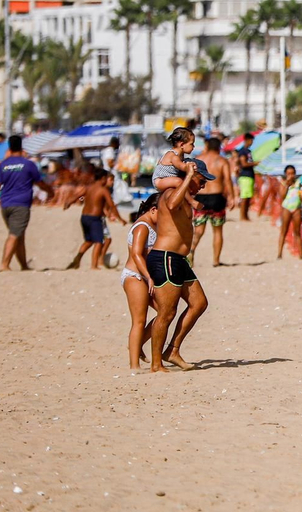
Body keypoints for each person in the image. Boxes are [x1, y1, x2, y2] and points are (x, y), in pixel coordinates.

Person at [147, 158, 209, 373]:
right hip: (165, 258)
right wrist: (189, 176)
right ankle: (156, 364)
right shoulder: (171, 194)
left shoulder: (185, 196)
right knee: (167, 313)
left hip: (179, 259)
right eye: (202, 180)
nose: (204, 185)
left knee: (199, 303)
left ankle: (172, 350)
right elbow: (172, 204)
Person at [0, 135, 53, 271]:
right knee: (15, 234)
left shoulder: (3, 165)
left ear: (9, 147)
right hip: (21, 204)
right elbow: (40, 183)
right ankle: (4, 264)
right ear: (22, 147)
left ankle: (24, 265)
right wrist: (50, 192)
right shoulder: (28, 164)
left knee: (19, 234)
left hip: (5, 205)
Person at [120, 193, 161, 372]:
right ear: (153, 209)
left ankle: (136, 344)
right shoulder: (142, 226)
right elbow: (137, 254)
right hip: (135, 276)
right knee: (139, 320)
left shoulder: (154, 223)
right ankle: (134, 365)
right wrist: (149, 276)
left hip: (146, 276)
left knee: (165, 312)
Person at [66, 167, 126, 270]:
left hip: (84, 217)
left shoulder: (88, 187)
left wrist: (68, 203)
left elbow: (78, 195)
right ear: (103, 178)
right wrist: (120, 219)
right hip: (94, 219)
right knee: (99, 241)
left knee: (88, 241)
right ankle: (94, 265)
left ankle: (77, 260)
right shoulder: (103, 190)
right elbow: (112, 205)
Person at [189, 135, 235, 267]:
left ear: (207, 146)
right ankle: (216, 260)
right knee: (218, 230)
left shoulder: (198, 160)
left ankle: (191, 251)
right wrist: (231, 197)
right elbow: (227, 180)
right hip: (217, 197)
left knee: (198, 230)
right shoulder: (222, 161)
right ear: (219, 147)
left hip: (201, 196)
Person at [234, 137, 256, 221]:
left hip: (249, 176)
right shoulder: (243, 151)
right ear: (247, 140)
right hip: (245, 176)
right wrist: (255, 163)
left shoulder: (248, 151)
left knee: (248, 197)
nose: (252, 142)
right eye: (251, 140)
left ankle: (245, 215)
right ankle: (242, 216)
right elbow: (244, 164)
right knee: (245, 197)